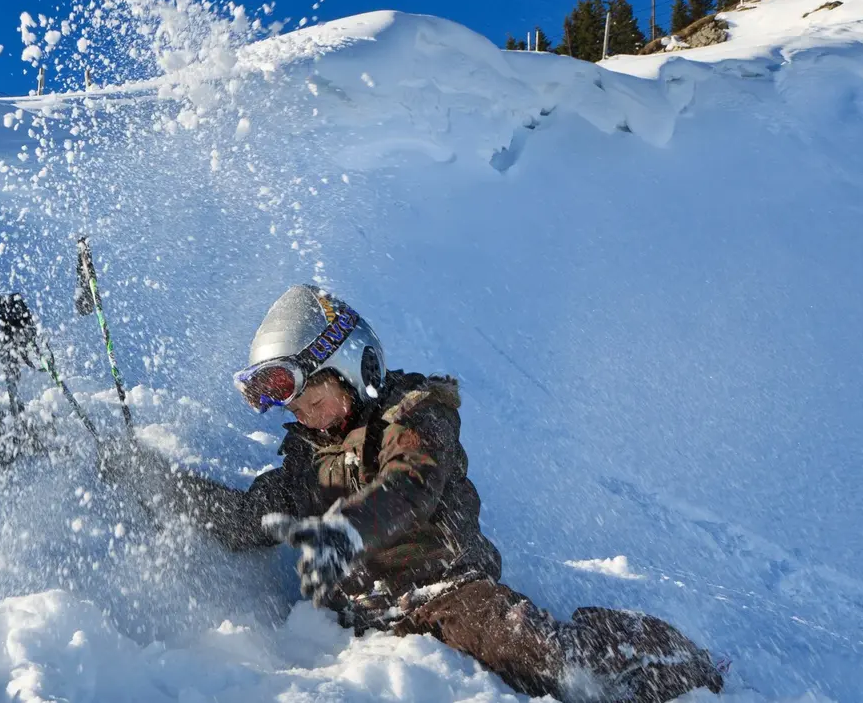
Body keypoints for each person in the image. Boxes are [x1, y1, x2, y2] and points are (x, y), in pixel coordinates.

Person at [106, 285, 725, 703]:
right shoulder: (307, 457)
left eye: (310, 397)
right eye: (290, 406)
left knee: (542, 657)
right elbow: (247, 517)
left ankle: (667, 659)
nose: (303, 415)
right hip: (367, 617)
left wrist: (346, 528)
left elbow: (411, 486)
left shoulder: (413, 416)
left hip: (448, 593)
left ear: (349, 368)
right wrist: (151, 483)